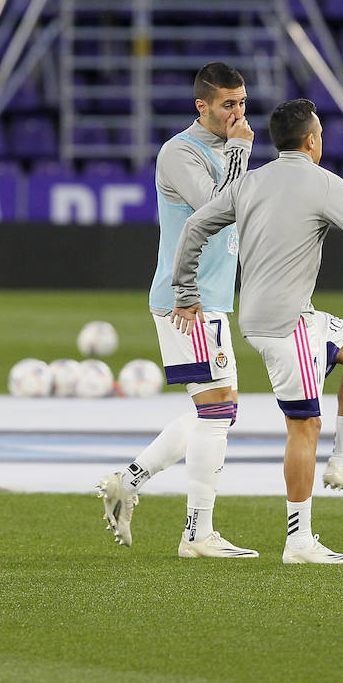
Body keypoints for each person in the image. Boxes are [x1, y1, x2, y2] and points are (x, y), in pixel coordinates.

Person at [170, 98, 343, 564]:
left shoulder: (250, 182)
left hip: (270, 317)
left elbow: (194, 226)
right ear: (312, 140)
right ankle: (298, 541)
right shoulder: (323, 183)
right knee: (304, 424)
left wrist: (184, 290)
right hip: (286, 324)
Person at [95, 63, 259, 559]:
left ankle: (128, 481)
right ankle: (197, 534)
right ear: (201, 106)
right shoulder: (180, 152)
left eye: (242, 102)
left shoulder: (226, 151)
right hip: (186, 298)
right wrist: (242, 149)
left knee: (216, 410)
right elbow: (217, 206)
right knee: (216, 410)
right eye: (228, 104)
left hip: (209, 297)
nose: (238, 113)